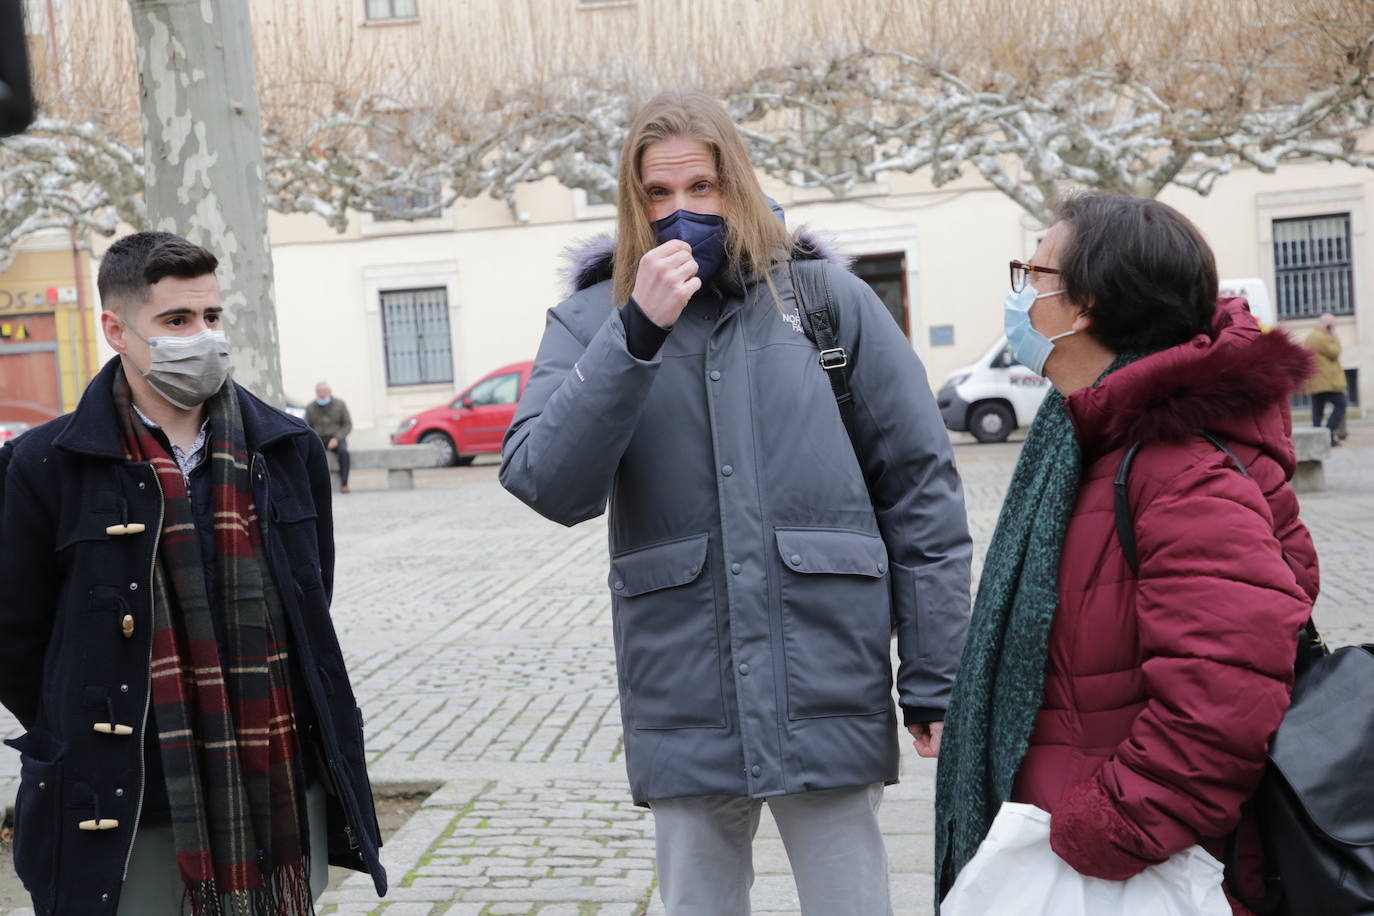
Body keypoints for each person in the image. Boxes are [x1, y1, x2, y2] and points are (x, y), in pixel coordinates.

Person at [501, 90, 972, 916]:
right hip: (685, 690)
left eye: (701, 189)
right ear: (632, 201)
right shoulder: (591, 319)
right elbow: (547, 481)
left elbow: (919, 488)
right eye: (657, 194)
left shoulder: (824, 301)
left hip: (825, 674)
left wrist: (933, 674)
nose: (680, 210)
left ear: (737, 186)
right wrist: (635, 333)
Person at [935, 194, 1319, 916]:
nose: (1019, 294)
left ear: (1086, 307)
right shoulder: (1089, 438)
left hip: (1130, 875)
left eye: (1033, 271)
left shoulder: (1177, 472)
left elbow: (1225, 696)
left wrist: (1106, 827)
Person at [0, 232, 387, 914]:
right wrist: (88, 721)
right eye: (176, 321)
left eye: (212, 318)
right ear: (116, 330)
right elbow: (15, 639)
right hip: (127, 796)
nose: (201, 338)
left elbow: (307, 601)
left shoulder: (286, 448)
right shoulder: (44, 466)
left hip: (274, 785)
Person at [1305, 312, 1347, 446]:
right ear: (1327, 325)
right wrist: (1335, 337)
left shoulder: (1312, 336)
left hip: (1317, 380)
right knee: (1341, 404)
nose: (1335, 328)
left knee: (1317, 410)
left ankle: (1318, 439)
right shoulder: (1321, 337)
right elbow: (1335, 352)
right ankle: (1327, 435)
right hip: (1327, 380)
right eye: (1333, 325)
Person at [306, 380, 354, 490]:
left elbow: (347, 425)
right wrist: (314, 439)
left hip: (336, 438)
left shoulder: (340, 404)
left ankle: (344, 483)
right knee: (309, 453)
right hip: (318, 438)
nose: (321, 394)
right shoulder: (310, 407)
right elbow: (306, 426)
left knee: (344, 452)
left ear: (329, 391)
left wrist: (337, 438)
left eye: (324, 391)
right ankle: (314, 485)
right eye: (319, 391)